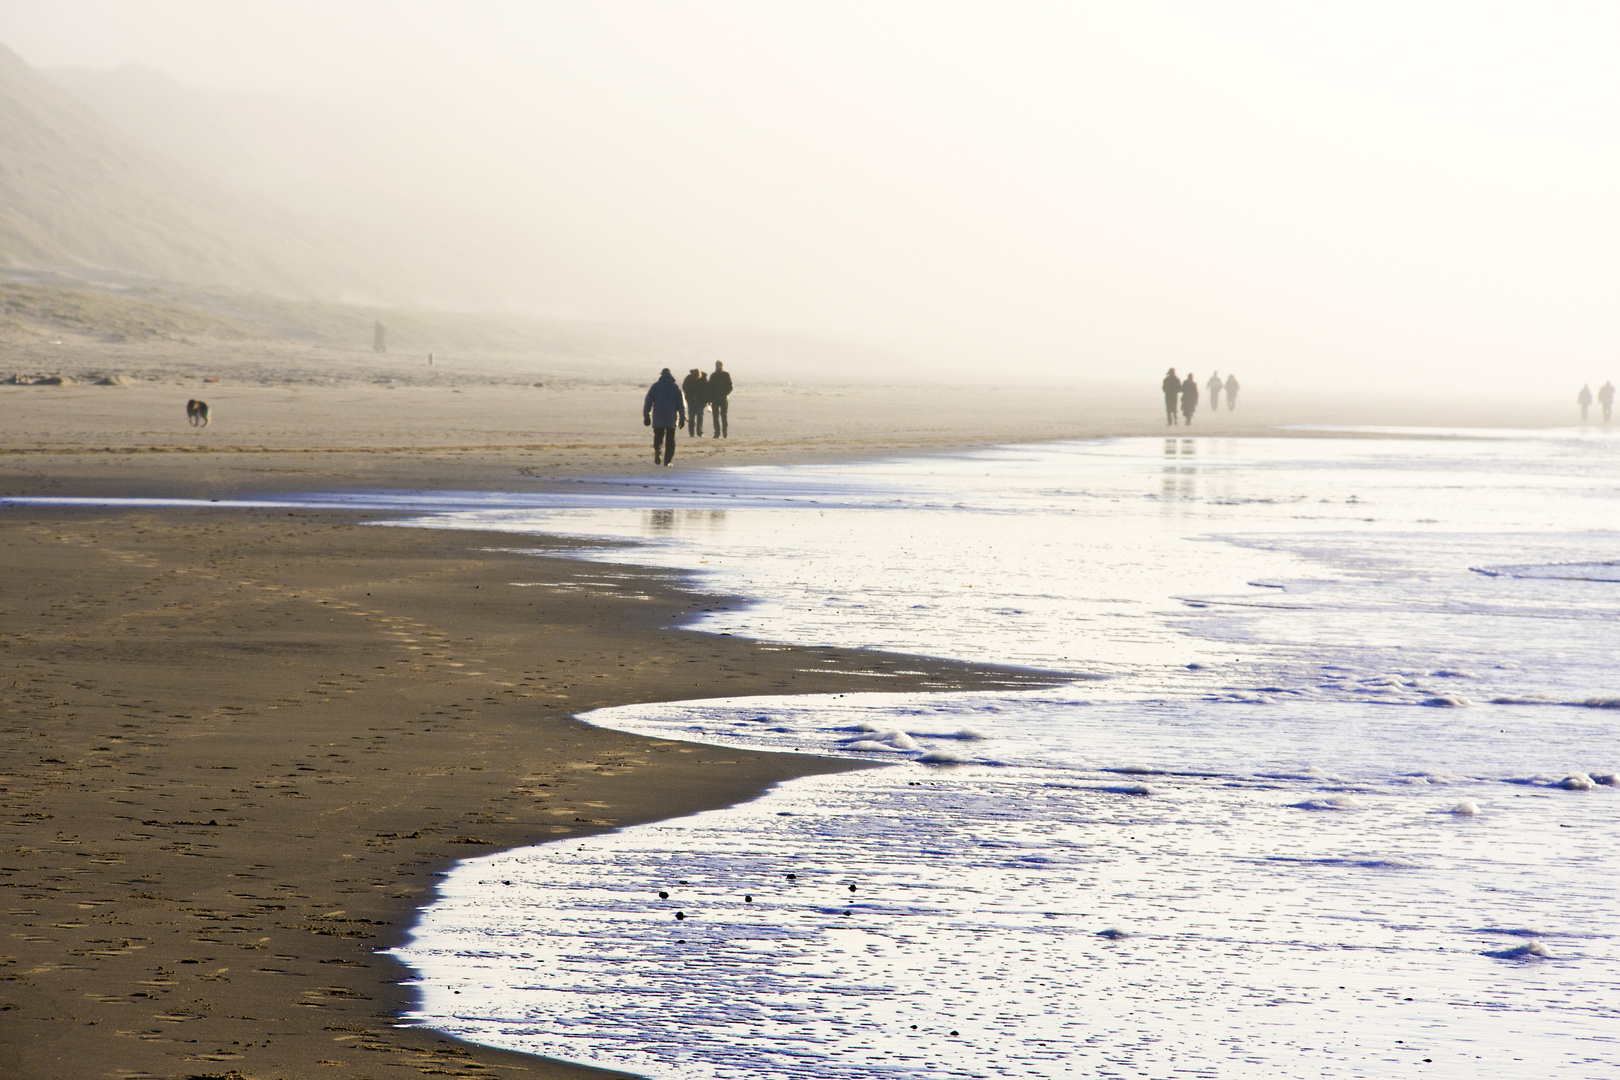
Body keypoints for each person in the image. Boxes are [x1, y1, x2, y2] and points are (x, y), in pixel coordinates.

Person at [643, 368, 686, 466]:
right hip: (671, 417)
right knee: (670, 440)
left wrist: (646, 415)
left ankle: (658, 451)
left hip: (658, 416)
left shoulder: (656, 386)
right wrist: (682, 418)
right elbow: (681, 404)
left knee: (658, 437)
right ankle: (668, 461)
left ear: (661, 376)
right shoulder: (675, 387)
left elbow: (648, 401)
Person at [708, 361, 733, 438]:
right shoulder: (713, 375)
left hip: (723, 399)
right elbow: (709, 388)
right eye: (716, 365)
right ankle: (717, 433)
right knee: (715, 417)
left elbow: (730, 386)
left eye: (719, 365)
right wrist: (709, 399)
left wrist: (725, 394)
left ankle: (725, 433)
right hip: (714, 399)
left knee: (723, 416)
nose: (718, 367)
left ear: (721, 366)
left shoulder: (725, 375)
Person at [681, 368, 708, 437]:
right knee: (691, 417)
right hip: (691, 400)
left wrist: (706, 401)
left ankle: (699, 432)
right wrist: (691, 396)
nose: (696, 379)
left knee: (700, 417)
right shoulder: (688, 379)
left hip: (701, 401)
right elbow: (685, 388)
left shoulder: (704, 379)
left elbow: (707, 390)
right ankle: (691, 433)